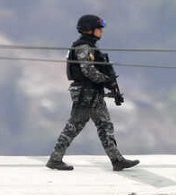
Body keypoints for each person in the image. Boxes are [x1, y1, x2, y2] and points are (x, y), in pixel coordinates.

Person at [46, 14, 139, 172]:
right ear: (89, 29)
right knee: (76, 125)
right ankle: (55, 159)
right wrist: (106, 80)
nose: (101, 31)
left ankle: (116, 159)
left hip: (92, 92)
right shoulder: (83, 47)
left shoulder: (90, 47)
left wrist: (110, 84)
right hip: (86, 93)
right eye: (98, 28)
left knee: (103, 125)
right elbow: (88, 70)